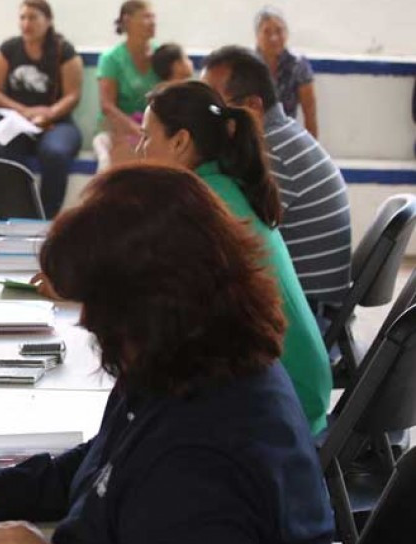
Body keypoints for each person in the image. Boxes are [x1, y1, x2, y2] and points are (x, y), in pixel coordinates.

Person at [0, 165, 333, 544]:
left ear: (151, 303)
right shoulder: (197, 358)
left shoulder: (204, 455)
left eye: (98, 304)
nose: (88, 321)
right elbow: (106, 464)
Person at [137, 80, 331, 435]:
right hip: (296, 386)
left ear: (180, 142)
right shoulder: (222, 185)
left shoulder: (203, 204)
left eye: (146, 137)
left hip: (284, 403)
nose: (140, 150)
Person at [202, 45, 351, 312]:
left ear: (252, 106)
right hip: (311, 303)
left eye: (213, 110)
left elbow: (234, 244)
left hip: (309, 312)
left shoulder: (272, 153)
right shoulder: (282, 135)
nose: (203, 120)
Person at [0, 0, 83, 215]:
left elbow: (73, 95)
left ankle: (46, 216)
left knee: (55, 153)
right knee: (2, 151)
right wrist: (25, 112)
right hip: (17, 122)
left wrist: (50, 114)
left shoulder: (64, 51)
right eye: (23, 18)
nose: (26, 23)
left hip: (57, 123)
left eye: (32, 18)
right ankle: (13, 212)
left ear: (48, 21)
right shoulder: (8, 49)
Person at [94, 0, 158, 170]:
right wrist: (138, 131)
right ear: (127, 21)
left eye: (153, 17)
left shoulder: (161, 55)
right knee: (117, 162)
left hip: (151, 130)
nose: (153, 22)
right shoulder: (111, 58)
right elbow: (107, 106)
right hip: (116, 130)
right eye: (146, 17)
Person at [254, 6, 318, 138]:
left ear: (286, 33)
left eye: (279, 31)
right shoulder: (247, 64)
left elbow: (310, 115)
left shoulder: (298, 65)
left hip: (286, 135)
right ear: (257, 36)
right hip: (254, 136)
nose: (274, 38)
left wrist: (310, 148)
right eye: (267, 32)